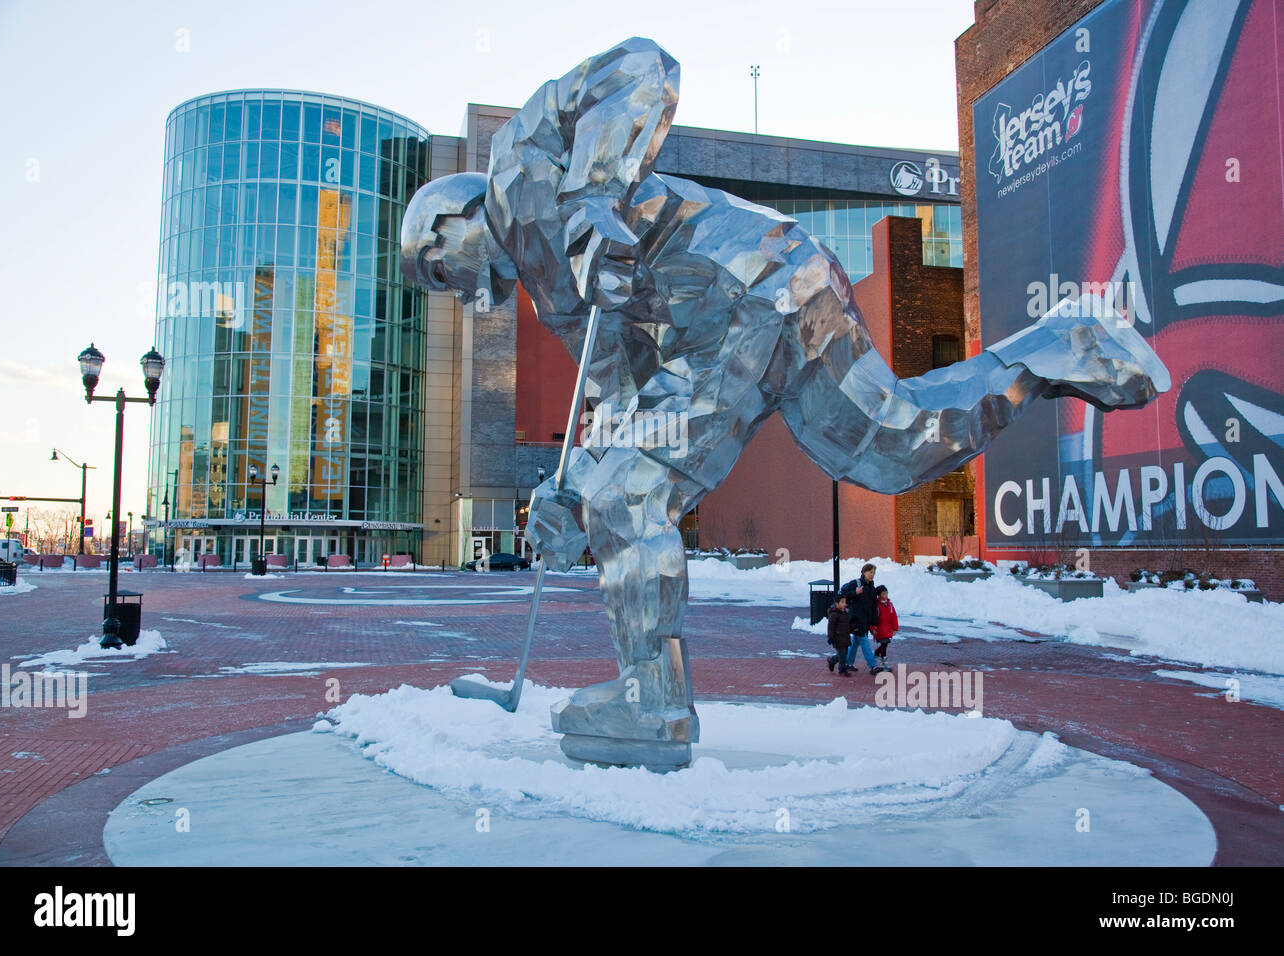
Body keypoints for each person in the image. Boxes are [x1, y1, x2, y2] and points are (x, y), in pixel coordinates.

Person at [398, 38, 1168, 768]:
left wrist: (594, 198)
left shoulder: (520, 162)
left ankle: (652, 702)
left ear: (449, 219)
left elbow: (642, 66)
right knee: (890, 444)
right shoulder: (557, 299)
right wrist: (572, 487)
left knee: (630, 495)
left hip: (743, 289)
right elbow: (627, 390)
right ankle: (1052, 351)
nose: (462, 295)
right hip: (777, 287)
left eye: (441, 273)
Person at [839, 563, 884, 674]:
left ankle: (845, 662)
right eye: (870, 572)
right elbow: (842, 594)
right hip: (856, 620)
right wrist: (855, 592)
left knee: (855, 642)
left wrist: (874, 623)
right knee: (864, 642)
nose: (872, 575)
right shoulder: (856, 584)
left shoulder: (872, 588)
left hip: (865, 621)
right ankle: (873, 666)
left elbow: (873, 607)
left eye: (874, 573)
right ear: (864, 572)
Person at [871, 584, 898, 667]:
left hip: (888, 628)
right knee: (884, 644)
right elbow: (873, 618)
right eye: (883, 594)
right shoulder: (876, 606)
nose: (885, 595)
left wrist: (895, 628)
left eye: (886, 593)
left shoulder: (890, 605)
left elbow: (893, 616)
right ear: (879, 595)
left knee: (884, 644)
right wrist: (872, 628)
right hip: (880, 629)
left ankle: (877, 652)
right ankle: (884, 660)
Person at [825, 594, 852, 676]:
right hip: (838, 638)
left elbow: (848, 625)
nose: (844, 604)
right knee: (842, 655)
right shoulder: (834, 614)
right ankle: (842, 670)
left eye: (845, 602)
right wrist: (830, 637)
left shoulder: (845, 613)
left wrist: (853, 628)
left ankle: (832, 660)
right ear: (837, 604)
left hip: (846, 637)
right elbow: (830, 627)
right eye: (842, 602)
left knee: (843, 654)